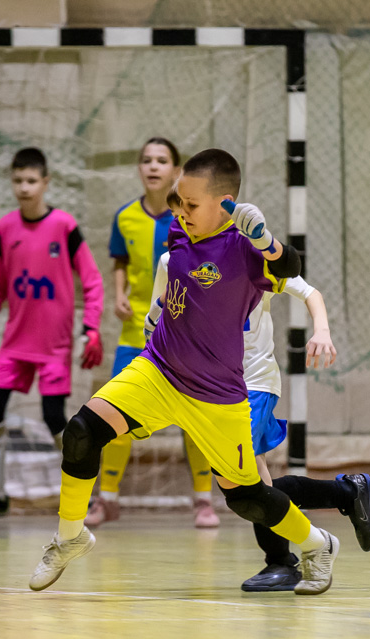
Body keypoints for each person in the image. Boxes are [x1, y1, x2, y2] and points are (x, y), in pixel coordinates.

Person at [30, 148, 340, 595]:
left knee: (246, 497)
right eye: (179, 201)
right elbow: (184, 279)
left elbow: (289, 267)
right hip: (158, 370)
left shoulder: (245, 250)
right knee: (82, 431)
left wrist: (266, 240)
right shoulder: (181, 228)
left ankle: (318, 544)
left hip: (216, 393)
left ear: (225, 204)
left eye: (191, 204)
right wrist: (161, 310)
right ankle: (69, 537)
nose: (181, 211)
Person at [149, 191, 370, 592]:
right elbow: (159, 316)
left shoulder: (248, 257)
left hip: (253, 381)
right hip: (210, 387)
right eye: (177, 213)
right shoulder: (173, 262)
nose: (183, 219)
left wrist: (322, 331)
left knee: (246, 478)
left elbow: (310, 293)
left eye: (190, 209)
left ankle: (283, 561)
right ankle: (345, 492)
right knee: (255, 487)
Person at [0, 147, 105, 522]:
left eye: (31, 180)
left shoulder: (65, 226)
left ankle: (82, 497)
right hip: (14, 344)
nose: (24, 187)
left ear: (45, 182)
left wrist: (90, 328)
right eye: (18, 180)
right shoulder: (5, 228)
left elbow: (92, 281)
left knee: (54, 418)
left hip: (54, 346)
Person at [88, 137, 219, 529]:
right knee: (115, 414)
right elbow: (120, 261)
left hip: (185, 338)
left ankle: (203, 501)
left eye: (162, 160)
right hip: (135, 335)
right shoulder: (125, 217)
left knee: (195, 420)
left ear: (176, 171)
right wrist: (118, 294)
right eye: (146, 160)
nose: (153, 166)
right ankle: (107, 499)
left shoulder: (192, 218)